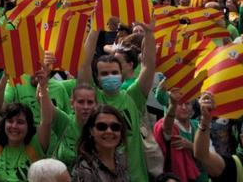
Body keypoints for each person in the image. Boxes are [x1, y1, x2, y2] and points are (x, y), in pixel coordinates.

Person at [76, 23, 157, 182]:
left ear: (121, 74)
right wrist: (95, 28)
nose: (110, 76)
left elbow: (149, 65)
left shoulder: (133, 96)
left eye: (114, 72)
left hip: (137, 177)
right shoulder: (93, 99)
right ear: (97, 78)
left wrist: (149, 32)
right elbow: (84, 64)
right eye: (104, 73)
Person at [0, 59, 53, 182]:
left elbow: (46, 121)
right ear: (4, 123)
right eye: (10, 121)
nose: (14, 126)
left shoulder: (35, 147)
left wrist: (43, 88)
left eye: (20, 122)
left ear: (29, 126)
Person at [154, 89, 205, 182]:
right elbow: (167, 127)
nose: (184, 107)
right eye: (180, 104)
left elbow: (209, 154)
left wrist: (191, 146)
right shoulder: (169, 126)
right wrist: (173, 104)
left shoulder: (198, 126)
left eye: (188, 103)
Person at [70, 105, 129, 182]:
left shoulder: (121, 159)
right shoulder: (84, 169)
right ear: (91, 131)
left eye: (115, 127)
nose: (109, 131)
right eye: (102, 126)